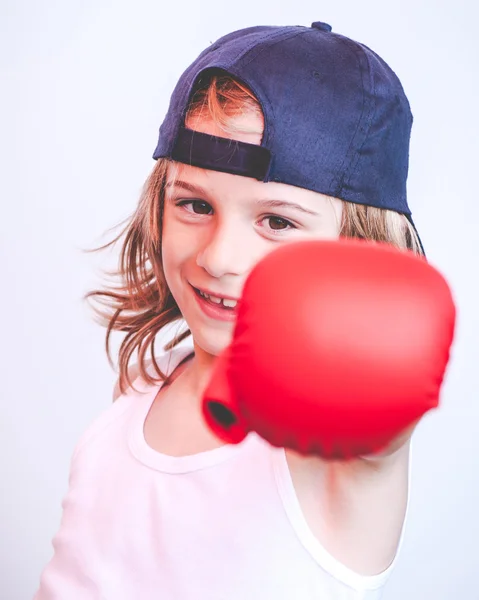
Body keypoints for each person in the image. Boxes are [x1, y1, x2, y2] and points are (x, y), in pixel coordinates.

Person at [35, 21, 445, 599]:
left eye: (276, 221)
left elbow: (383, 422)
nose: (220, 256)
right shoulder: (145, 387)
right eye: (194, 205)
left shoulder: (332, 454)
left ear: (362, 252)